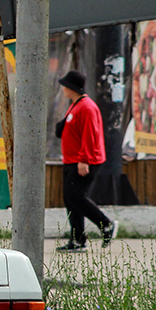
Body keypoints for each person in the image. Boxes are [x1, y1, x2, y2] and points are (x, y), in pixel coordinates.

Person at [55, 70, 115, 252]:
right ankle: (78, 239)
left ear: (72, 88)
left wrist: (84, 160)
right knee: (70, 198)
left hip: (83, 160)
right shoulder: (76, 105)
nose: (63, 89)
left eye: (66, 85)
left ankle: (106, 224)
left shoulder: (86, 107)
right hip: (71, 159)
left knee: (76, 196)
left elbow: (90, 135)